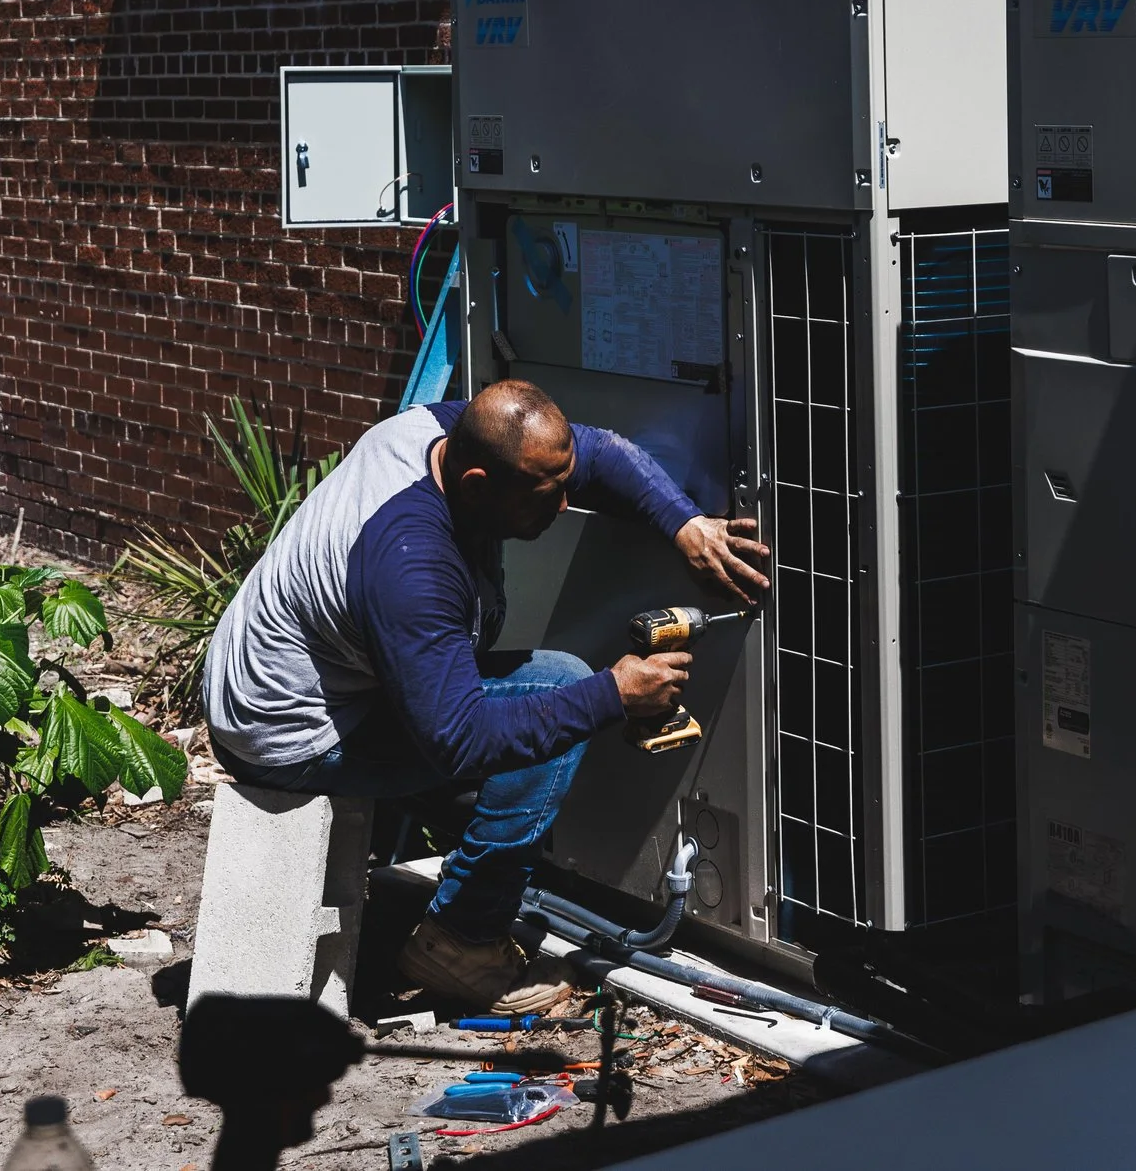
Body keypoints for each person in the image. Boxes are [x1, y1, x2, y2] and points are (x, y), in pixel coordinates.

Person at [203, 379, 771, 1014]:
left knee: (536, 704)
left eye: (564, 484)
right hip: (291, 733)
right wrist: (612, 694)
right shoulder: (411, 565)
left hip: (298, 685)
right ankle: (461, 943)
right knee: (556, 688)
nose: (563, 507)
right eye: (546, 495)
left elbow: (601, 454)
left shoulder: (440, 432)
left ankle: (454, 883)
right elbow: (459, 737)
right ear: (477, 485)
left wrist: (684, 522)